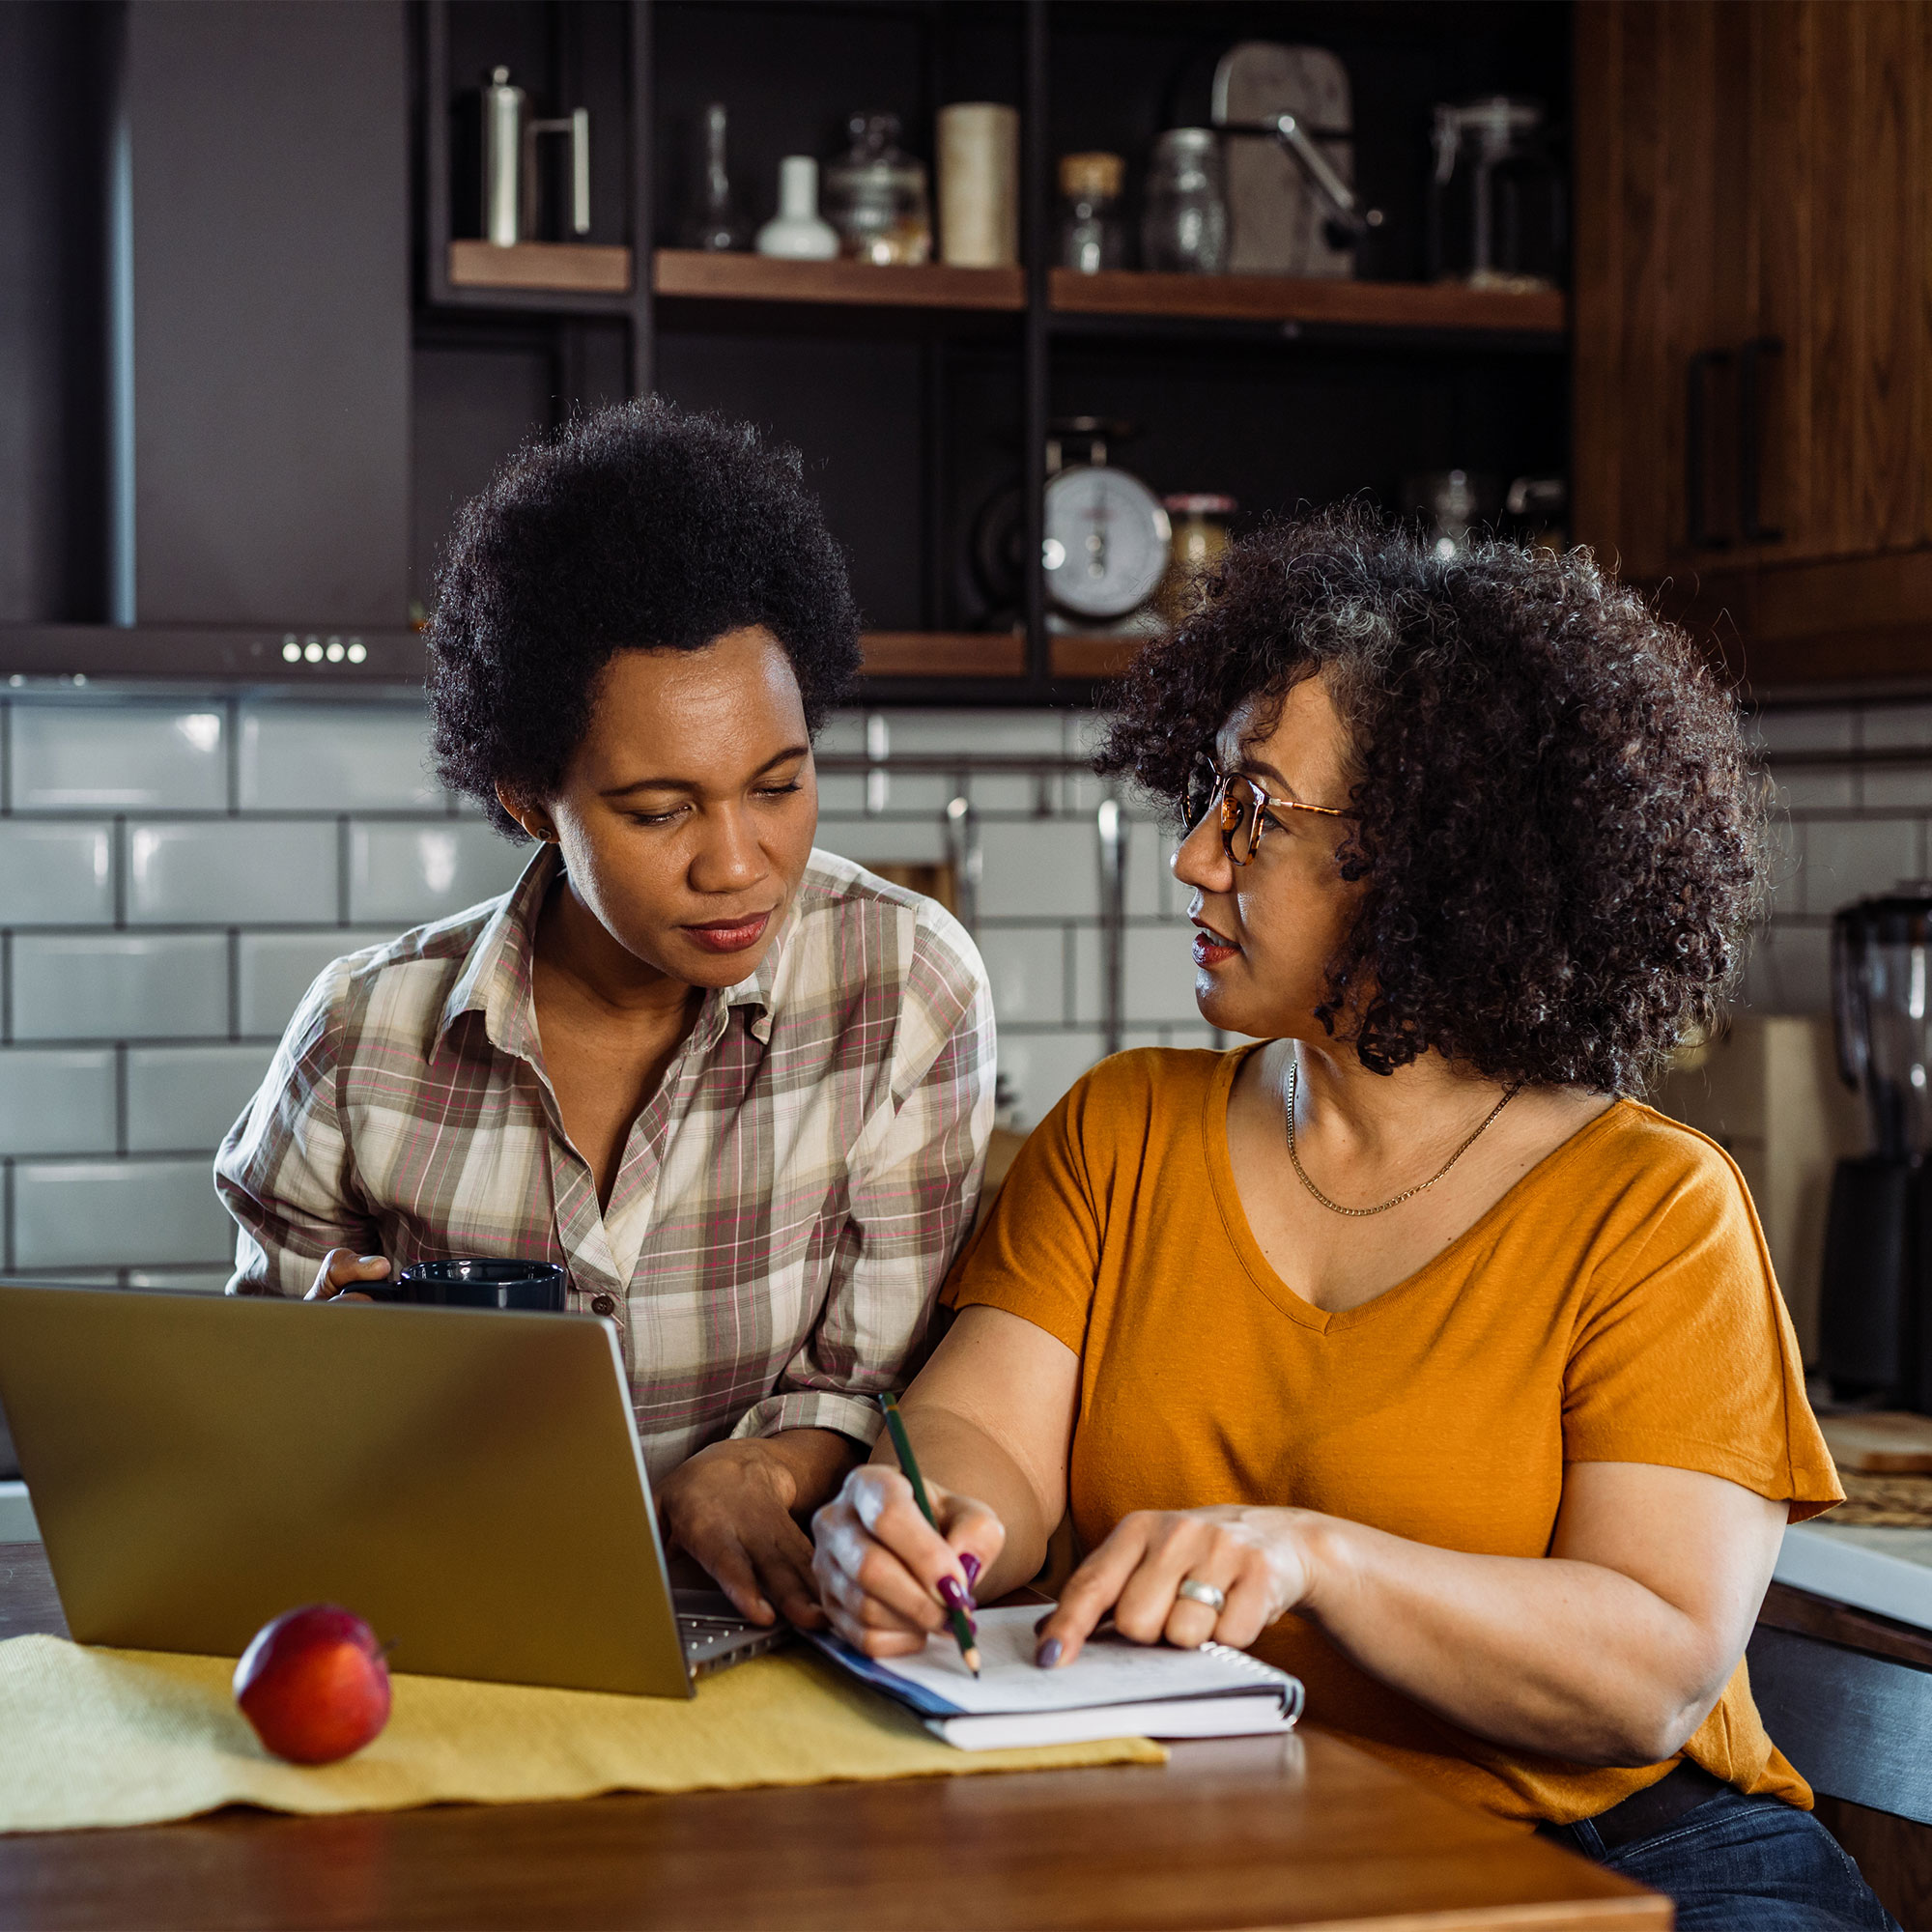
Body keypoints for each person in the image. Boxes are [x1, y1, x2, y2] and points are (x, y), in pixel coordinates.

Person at [812, 509, 1895, 1932]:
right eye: (1209, 798)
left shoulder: (1655, 1211)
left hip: (1638, 1864)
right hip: (1228, 1837)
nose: (1197, 857)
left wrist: (1312, 1557)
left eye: (1256, 814)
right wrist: (921, 1525)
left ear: (1433, 863)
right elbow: (987, 1440)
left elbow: (1656, 1667)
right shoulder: (1122, 1133)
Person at [217, 400, 995, 1634]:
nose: (738, 862)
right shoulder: (365, 1032)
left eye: (779, 785)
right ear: (531, 798)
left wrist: (757, 1470)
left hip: (771, 1647)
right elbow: (250, 1390)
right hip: (437, 1633)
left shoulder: (903, 985)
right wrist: (319, 1368)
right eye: (657, 810)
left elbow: (875, 1381)